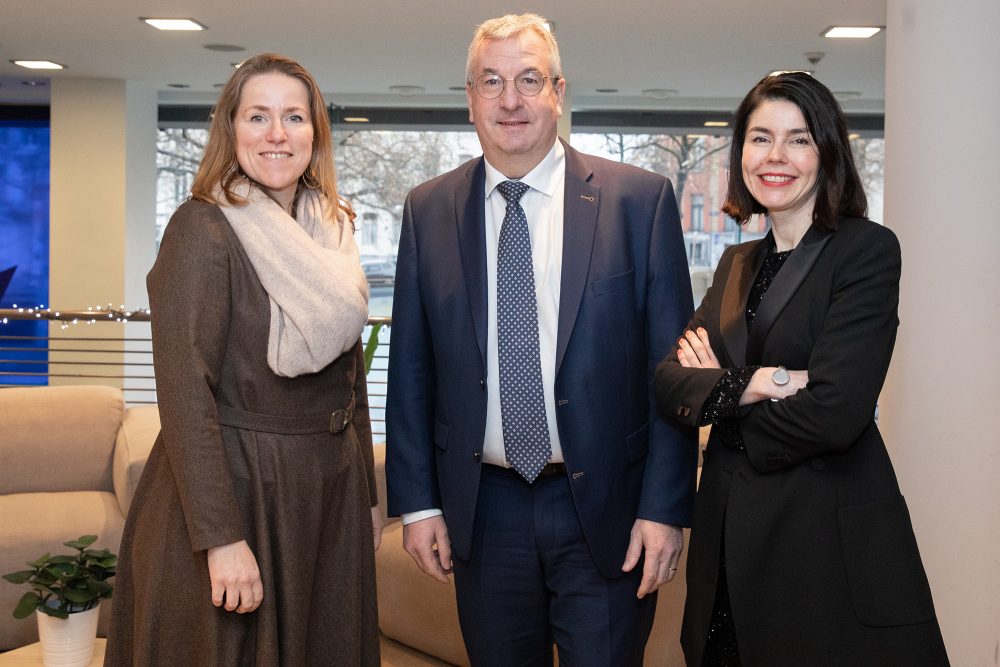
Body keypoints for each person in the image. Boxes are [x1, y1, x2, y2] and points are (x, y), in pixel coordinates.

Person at [385, 13, 696, 665]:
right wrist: (415, 506)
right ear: (469, 98)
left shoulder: (640, 203)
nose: (510, 99)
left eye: (528, 79)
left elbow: (670, 377)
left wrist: (666, 509)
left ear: (559, 90)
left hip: (608, 514)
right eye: (491, 81)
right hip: (484, 513)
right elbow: (412, 372)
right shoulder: (428, 210)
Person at [654, 72, 949, 666]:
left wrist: (722, 405)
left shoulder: (865, 251)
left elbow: (836, 413)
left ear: (828, 153)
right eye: (761, 138)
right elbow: (669, 382)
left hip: (820, 552)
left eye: (799, 139)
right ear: (741, 153)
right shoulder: (737, 263)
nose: (776, 157)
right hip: (727, 551)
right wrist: (770, 380)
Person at [106, 53, 381, 665]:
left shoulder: (331, 230)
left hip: (326, 492)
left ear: (316, 133)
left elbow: (348, 378)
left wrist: (363, 493)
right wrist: (221, 539)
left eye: (293, 117)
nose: (277, 134)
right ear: (231, 128)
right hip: (238, 493)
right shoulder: (202, 229)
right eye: (258, 116)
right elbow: (184, 396)